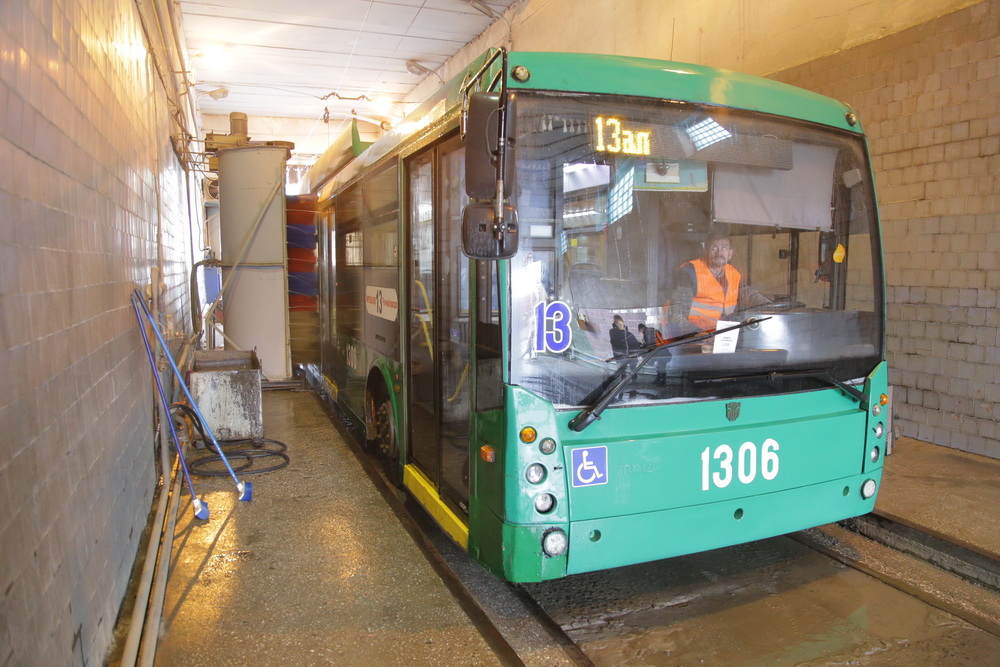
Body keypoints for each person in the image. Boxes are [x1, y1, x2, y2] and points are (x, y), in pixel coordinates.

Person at [668, 228, 769, 332]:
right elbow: (677, 316)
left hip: (726, 333)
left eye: (724, 248)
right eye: (714, 248)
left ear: (730, 253)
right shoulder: (689, 272)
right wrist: (699, 334)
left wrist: (771, 307)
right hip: (697, 335)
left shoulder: (733, 273)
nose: (719, 252)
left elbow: (749, 295)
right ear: (705, 252)